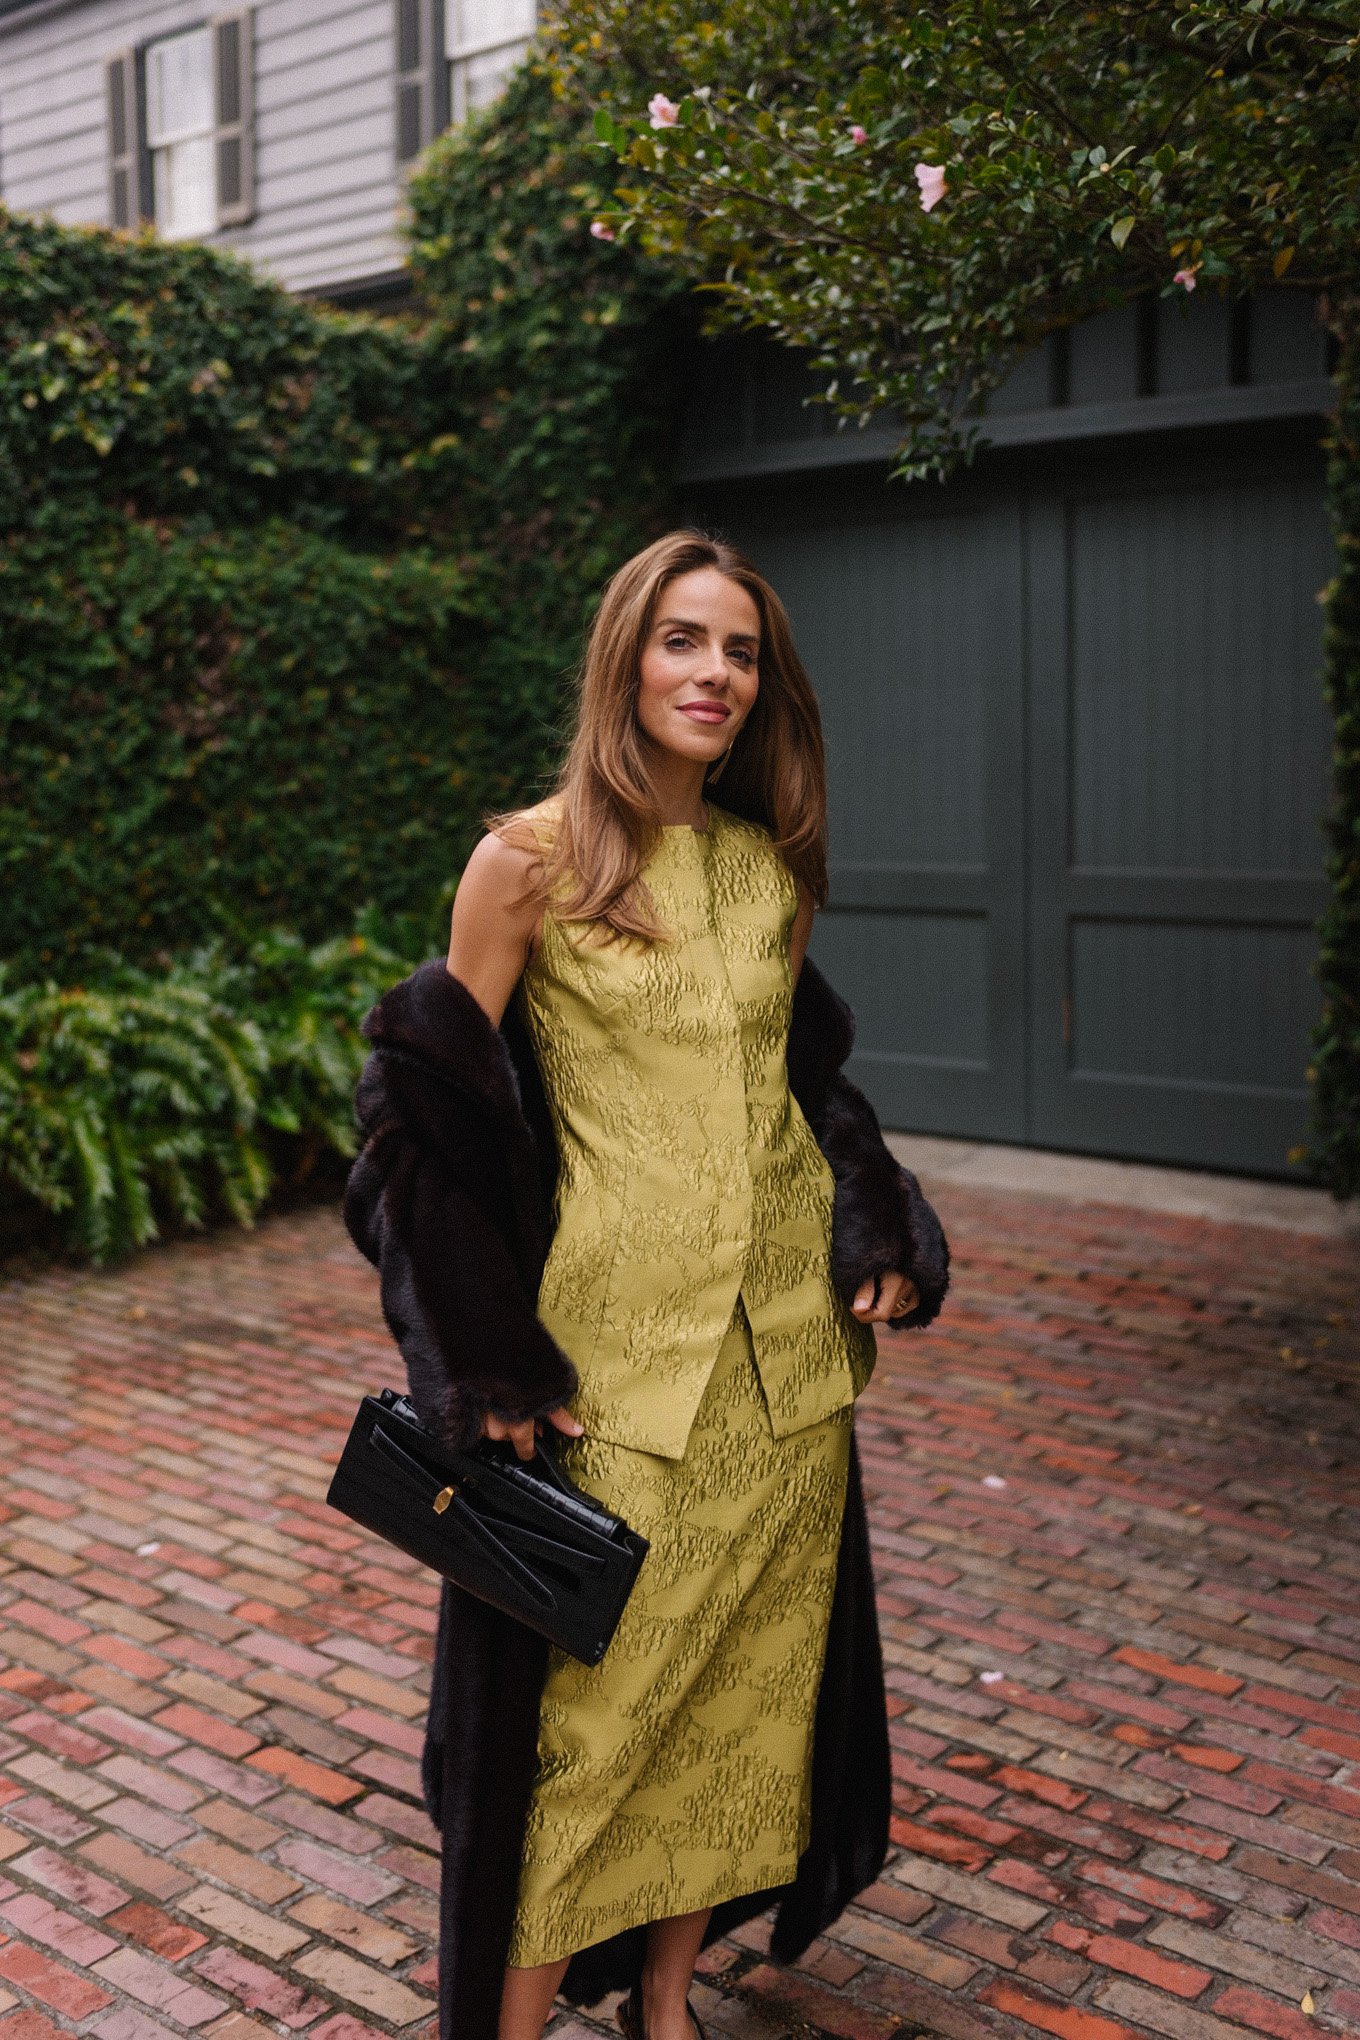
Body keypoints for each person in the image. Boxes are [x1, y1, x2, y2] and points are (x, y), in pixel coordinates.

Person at [344, 530, 949, 2040]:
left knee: (747, 1716)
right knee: (590, 1736)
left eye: (740, 651)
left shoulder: (769, 870)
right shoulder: (530, 861)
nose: (714, 673)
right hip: (617, 1371)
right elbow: (424, 1127)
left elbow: (802, 1090)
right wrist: (483, 1359)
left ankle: (666, 2006)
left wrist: (875, 1224)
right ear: (624, 659)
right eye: (684, 639)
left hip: (787, 1377)